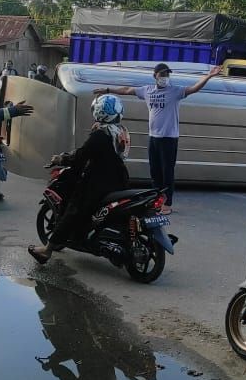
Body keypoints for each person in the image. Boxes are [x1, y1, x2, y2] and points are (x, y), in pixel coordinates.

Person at [95, 62, 222, 215]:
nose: (165, 77)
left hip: (169, 139)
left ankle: (167, 204)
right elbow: (128, 90)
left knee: (167, 172)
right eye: (162, 74)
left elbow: (194, 88)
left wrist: (209, 75)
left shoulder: (175, 91)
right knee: (155, 172)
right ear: (155, 76)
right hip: (153, 137)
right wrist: (108, 90)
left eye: (167, 74)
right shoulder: (147, 91)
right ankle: (157, 201)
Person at [28, 94, 130, 265]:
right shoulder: (121, 131)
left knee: (74, 209)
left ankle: (47, 250)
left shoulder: (100, 135)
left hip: (99, 181)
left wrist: (61, 159)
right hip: (119, 178)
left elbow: (82, 156)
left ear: (100, 112)